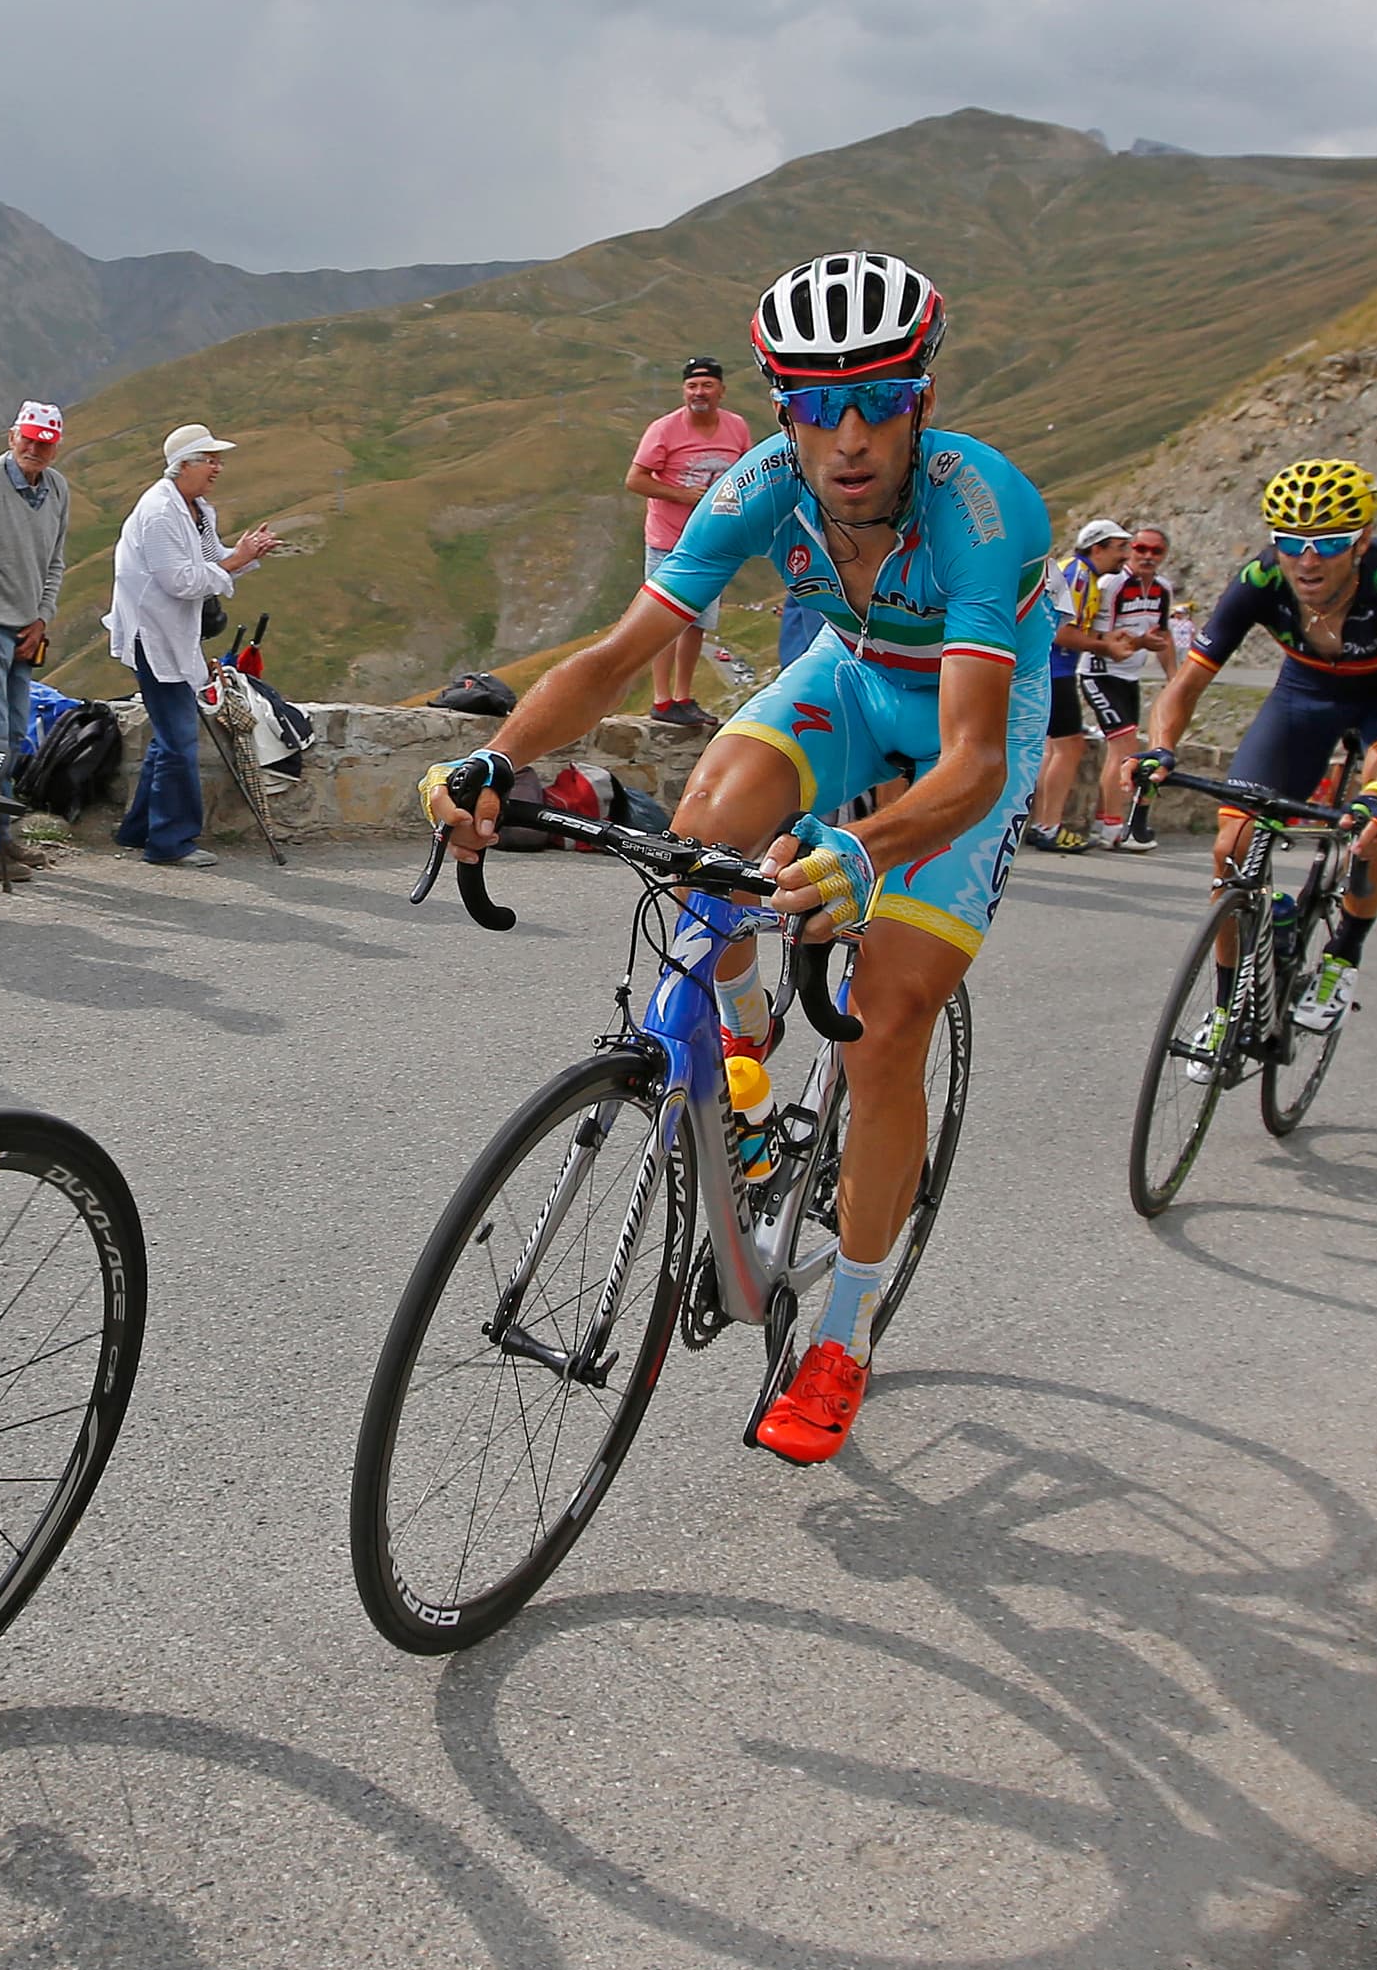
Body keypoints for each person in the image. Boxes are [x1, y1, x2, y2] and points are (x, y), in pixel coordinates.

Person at [427, 251, 1046, 1468]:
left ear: (923, 399)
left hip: (972, 727)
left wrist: (862, 852)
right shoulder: (763, 483)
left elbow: (971, 761)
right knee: (707, 826)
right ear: (782, 413)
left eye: (879, 401)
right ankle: (747, 1066)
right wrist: (497, 762)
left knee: (887, 1013)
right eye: (819, 406)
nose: (851, 436)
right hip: (860, 679)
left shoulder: (983, 505)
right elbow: (616, 657)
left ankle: (844, 1334)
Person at [1138, 460, 1377, 1038]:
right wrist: (1161, 748)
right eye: (1290, 541)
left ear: (1362, 541)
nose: (1308, 559)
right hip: (1306, 694)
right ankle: (1229, 1007)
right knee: (1230, 847)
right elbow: (1184, 687)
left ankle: (1344, 956)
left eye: (1328, 543)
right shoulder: (1260, 580)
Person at [105, 423, 279, 867]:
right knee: (179, 737)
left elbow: (209, 561)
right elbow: (180, 580)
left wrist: (243, 555)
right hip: (154, 636)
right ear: (183, 465)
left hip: (173, 636)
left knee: (170, 736)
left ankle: (139, 829)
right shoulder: (161, 513)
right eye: (210, 459)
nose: (218, 467)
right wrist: (237, 561)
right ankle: (170, 842)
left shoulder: (195, 508)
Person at [0, 401, 73, 887]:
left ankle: (1, 837)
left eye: (44, 443)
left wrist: (41, 620)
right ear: (11, 436)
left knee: (14, 737)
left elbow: (56, 562)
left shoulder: (57, 488)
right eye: (27, 439)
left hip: (26, 631)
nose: (34, 448)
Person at [624, 358, 754, 725]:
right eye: (692, 386)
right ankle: (662, 700)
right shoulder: (664, 429)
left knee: (696, 622)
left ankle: (683, 697)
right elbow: (635, 479)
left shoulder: (736, 427)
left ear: (721, 390)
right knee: (663, 620)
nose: (699, 393)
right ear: (684, 391)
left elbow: (746, 472)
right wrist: (683, 495)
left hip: (714, 542)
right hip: (668, 541)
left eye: (707, 385)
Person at [1023, 518, 1139, 853]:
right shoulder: (1078, 575)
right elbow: (1060, 631)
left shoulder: (1080, 573)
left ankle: (1041, 823)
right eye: (1120, 548)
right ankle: (1048, 825)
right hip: (1053, 668)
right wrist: (1106, 647)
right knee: (1069, 747)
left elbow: (1076, 629)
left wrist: (1105, 638)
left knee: (1055, 747)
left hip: (1050, 667)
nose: (1126, 556)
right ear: (1097, 548)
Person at [1091, 526, 1179, 848]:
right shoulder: (1112, 584)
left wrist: (1175, 679)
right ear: (1130, 550)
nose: (1147, 556)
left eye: (1155, 551)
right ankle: (1114, 829)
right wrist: (1141, 642)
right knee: (1125, 747)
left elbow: (1163, 636)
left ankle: (1104, 822)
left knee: (1126, 745)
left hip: (1130, 676)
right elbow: (1102, 638)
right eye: (1141, 548)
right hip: (1099, 672)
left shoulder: (1163, 589)